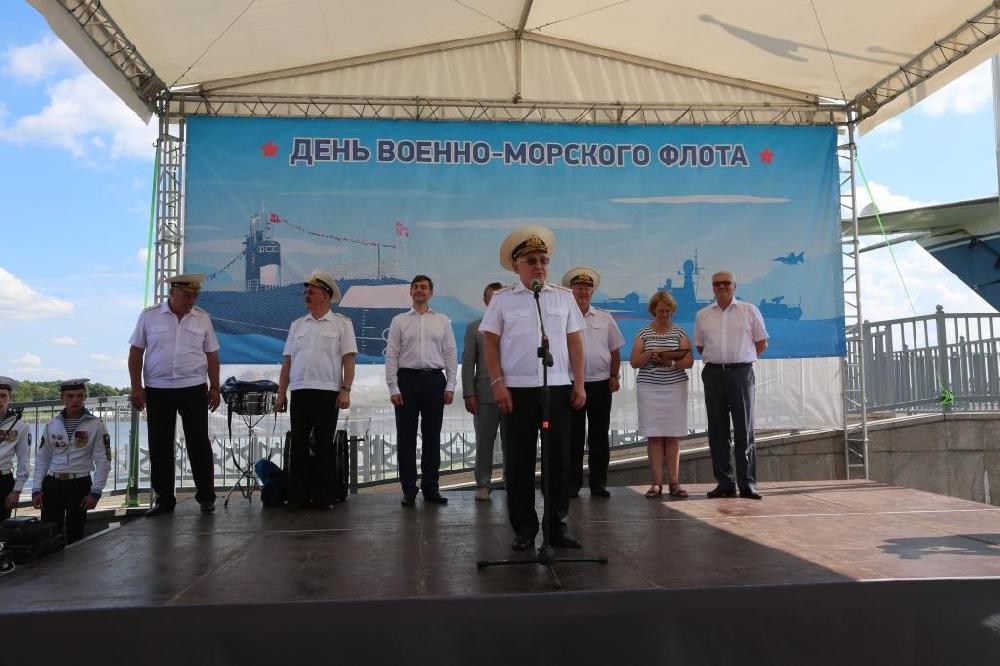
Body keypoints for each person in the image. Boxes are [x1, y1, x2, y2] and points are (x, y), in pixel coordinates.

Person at [480, 225, 586, 551]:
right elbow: (490, 343)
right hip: (517, 391)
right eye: (531, 261)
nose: (538, 266)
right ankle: (524, 528)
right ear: (516, 266)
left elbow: (575, 342)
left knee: (558, 461)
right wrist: (497, 383)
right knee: (519, 461)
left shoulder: (563, 297)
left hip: (556, 388)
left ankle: (556, 526)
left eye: (543, 260)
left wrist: (579, 383)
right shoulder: (502, 300)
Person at [128, 273, 221, 516]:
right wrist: (136, 387)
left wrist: (215, 386)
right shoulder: (149, 316)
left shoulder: (202, 318)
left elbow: (212, 354)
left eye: (194, 296)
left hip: (193, 387)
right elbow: (136, 352)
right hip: (158, 388)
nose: (191, 301)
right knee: (160, 444)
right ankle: (165, 500)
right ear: (172, 293)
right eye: (186, 296)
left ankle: (206, 497)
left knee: (198, 443)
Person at [276, 270, 357, 511]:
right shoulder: (297, 325)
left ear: (326, 295)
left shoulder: (342, 324)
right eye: (306, 291)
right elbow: (287, 362)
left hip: (327, 391)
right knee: (298, 445)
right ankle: (298, 496)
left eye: (311, 291)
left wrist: (346, 390)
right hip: (300, 391)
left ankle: (324, 496)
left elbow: (349, 360)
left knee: (324, 445)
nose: (306, 295)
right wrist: (281, 393)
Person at [693, 270, 769, 500]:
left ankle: (747, 484)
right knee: (717, 430)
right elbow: (701, 347)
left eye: (726, 283)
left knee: (744, 429)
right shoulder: (703, 315)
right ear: (712, 288)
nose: (721, 287)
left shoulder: (749, 310)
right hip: (714, 374)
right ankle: (725, 483)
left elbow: (761, 343)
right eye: (717, 284)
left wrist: (741, 360)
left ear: (734, 286)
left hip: (741, 374)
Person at [385, 275, 457, 506]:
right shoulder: (399, 321)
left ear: (431, 292)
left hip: (434, 381)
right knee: (405, 437)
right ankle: (408, 489)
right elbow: (392, 356)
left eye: (423, 287)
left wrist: (451, 385)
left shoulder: (442, 321)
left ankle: (431, 488)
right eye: (415, 287)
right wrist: (393, 387)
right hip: (406, 381)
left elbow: (450, 354)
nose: (419, 290)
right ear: (410, 292)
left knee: (432, 437)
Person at [561, 266, 625, 498]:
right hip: (571, 383)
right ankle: (572, 484)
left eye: (587, 288)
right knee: (573, 437)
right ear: (571, 290)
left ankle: (598, 484)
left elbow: (614, 350)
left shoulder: (604, 318)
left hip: (600, 384)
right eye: (579, 287)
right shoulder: (563, 317)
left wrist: (614, 375)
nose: (583, 292)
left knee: (599, 436)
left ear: (592, 292)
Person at [30, 379, 111, 544]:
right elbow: (42, 458)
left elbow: (103, 460)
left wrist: (96, 491)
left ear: (85, 398)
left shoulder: (96, 425)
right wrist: (36, 488)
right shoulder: (52, 424)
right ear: (62, 398)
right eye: (70, 396)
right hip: (53, 483)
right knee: (50, 534)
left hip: (79, 484)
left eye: (80, 396)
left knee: (76, 533)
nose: (75, 400)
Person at [629, 292, 693, 499]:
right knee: (654, 436)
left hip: (675, 388)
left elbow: (689, 361)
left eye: (667, 310)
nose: (664, 314)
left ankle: (674, 482)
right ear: (653, 310)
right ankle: (656, 483)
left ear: (672, 311)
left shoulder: (680, 332)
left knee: (673, 436)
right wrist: (651, 353)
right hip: (649, 388)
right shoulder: (643, 333)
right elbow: (634, 362)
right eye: (660, 310)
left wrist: (669, 361)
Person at [462, 281, 507, 501]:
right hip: (484, 395)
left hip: (513, 394)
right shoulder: (475, 327)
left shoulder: (514, 325)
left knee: (513, 442)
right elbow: (468, 363)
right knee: (484, 442)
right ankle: (482, 484)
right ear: (485, 301)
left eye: (500, 296)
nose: (496, 300)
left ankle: (511, 481)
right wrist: (469, 393)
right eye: (492, 296)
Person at [0, 377, 30, 520]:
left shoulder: (20, 426)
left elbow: (24, 460)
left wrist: (16, 491)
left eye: (3, 396)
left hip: (3, 481)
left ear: (10, 398)